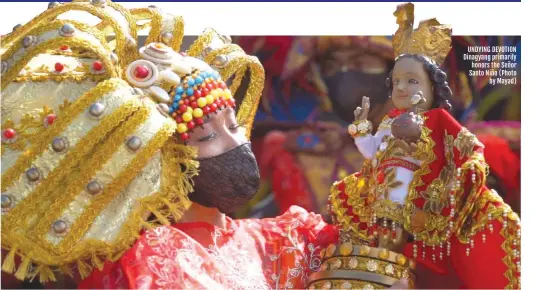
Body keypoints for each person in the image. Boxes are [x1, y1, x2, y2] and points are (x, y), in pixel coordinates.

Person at [325, 3, 521, 289]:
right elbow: (371, 152)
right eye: (396, 82)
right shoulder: (388, 124)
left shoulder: (440, 122)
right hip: (383, 197)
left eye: (412, 81)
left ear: (433, 89)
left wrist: (446, 185)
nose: (401, 88)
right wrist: (361, 130)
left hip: (425, 209)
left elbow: (469, 152)